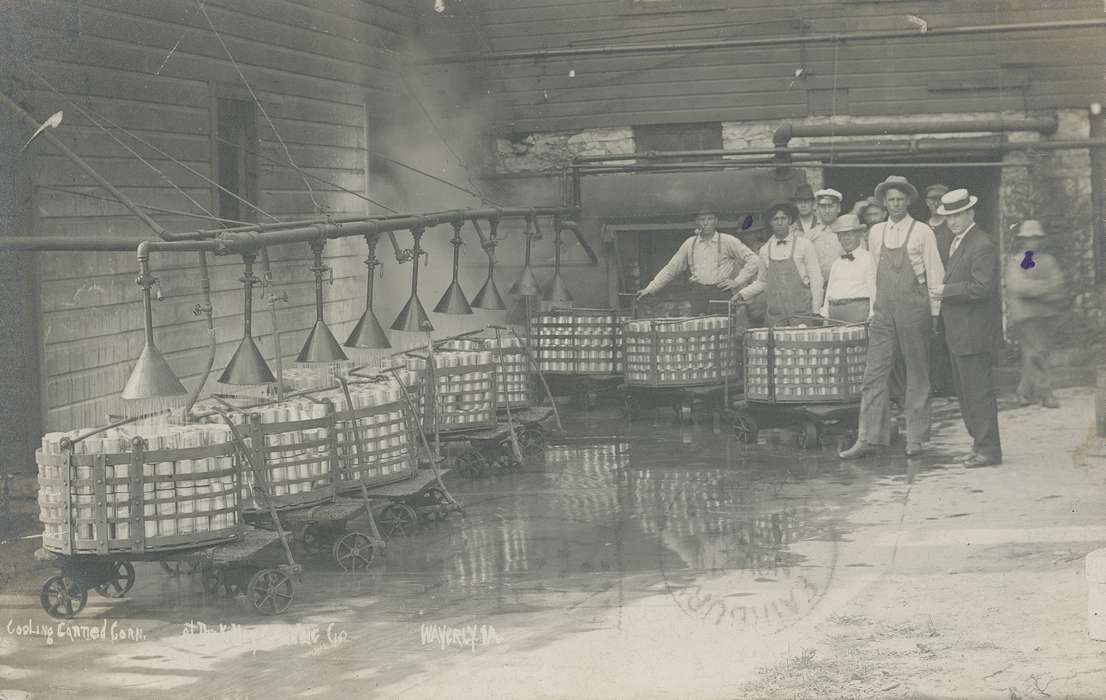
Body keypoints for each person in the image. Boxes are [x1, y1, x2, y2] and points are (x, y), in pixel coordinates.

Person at [840, 176, 945, 459]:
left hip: (914, 309)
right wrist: (875, 309)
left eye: (900, 199)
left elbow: (935, 274)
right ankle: (869, 437)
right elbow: (872, 273)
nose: (896, 204)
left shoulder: (923, 231)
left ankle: (916, 438)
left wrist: (934, 314)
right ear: (884, 203)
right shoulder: (875, 233)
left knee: (917, 373)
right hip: (884, 311)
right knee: (874, 373)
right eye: (891, 200)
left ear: (908, 201)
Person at [931, 188, 1003, 467]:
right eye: (949, 217)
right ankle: (979, 445)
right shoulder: (959, 241)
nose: (953, 221)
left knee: (979, 393)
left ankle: (989, 450)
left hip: (974, 332)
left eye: (958, 215)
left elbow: (982, 288)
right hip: (961, 332)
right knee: (966, 393)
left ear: (970, 212)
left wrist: (946, 291)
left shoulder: (981, 243)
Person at [637, 208, 759, 315]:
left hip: (720, 295)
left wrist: (737, 281)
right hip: (698, 295)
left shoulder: (728, 241)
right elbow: (671, 269)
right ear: (696, 222)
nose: (705, 223)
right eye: (702, 219)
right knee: (700, 333)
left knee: (723, 331)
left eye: (709, 219)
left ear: (716, 221)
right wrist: (650, 289)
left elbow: (754, 260)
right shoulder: (690, 243)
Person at [1006, 219, 1066, 409]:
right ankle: (1045, 393)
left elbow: (1058, 285)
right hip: (1027, 316)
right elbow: (1019, 286)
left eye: (1037, 238)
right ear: (1022, 240)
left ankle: (1024, 393)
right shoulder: (1023, 259)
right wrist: (1044, 290)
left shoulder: (1048, 260)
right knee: (1037, 352)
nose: (1033, 242)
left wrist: (1038, 290)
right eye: (1029, 239)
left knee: (1034, 353)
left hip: (1046, 315)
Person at [734, 202, 823, 326]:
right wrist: (742, 294)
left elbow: (816, 280)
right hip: (776, 317)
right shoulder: (765, 250)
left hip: (801, 313)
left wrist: (816, 311)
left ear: (790, 220)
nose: (780, 223)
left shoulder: (804, 245)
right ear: (770, 222)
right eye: (775, 219)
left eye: (783, 218)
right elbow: (762, 282)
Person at [924, 183, 956, 397]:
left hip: (950, 288)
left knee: (950, 336)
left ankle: (950, 385)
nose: (936, 203)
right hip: (927, 290)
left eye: (940, 199)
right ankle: (934, 383)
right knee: (931, 337)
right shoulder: (923, 227)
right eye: (932, 199)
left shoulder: (952, 227)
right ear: (926, 202)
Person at [820, 214, 874, 323]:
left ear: (859, 235)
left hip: (858, 313)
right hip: (835, 315)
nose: (846, 238)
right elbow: (830, 290)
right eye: (841, 235)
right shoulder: (837, 263)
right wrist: (825, 314)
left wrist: (872, 314)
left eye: (850, 234)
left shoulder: (868, 259)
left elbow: (874, 289)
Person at [802, 188, 847, 282]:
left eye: (831, 206)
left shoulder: (848, 233)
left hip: (843, 286)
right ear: (817, 209)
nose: (827, 211)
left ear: (839, 208)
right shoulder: (809, 236)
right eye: (823, 207)